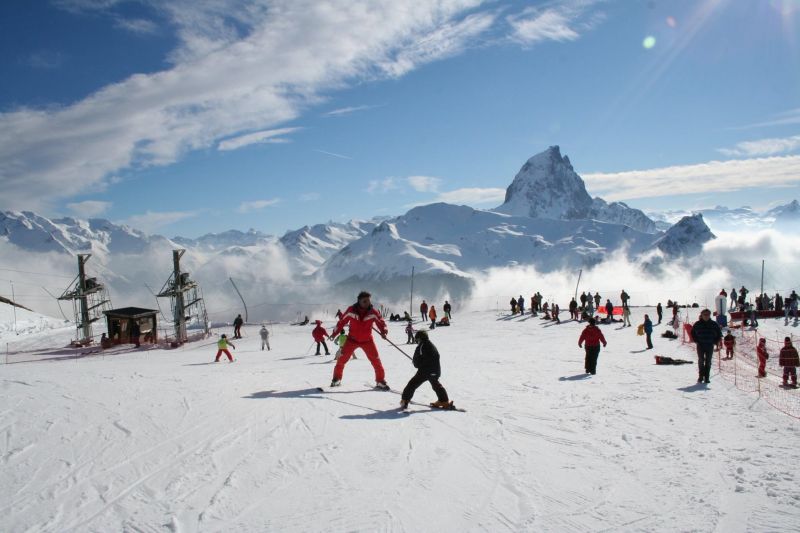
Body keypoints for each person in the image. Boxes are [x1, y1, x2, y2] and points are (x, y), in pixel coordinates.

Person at [329, 291, 389, 389]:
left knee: (376, 361)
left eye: (369, 301)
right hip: (352, 340)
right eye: (365, 301)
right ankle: (336, 379)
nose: (367, 303)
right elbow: (341, 322)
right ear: (359, 301)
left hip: (368, 341)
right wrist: (334, 333)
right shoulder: (351, 310)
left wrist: (384, 331)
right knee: (341, 360)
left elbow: (381, 321)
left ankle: (380, 381)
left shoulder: (373, 312)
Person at [400, 330, 451, 409]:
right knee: (436, 385)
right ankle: (444, 401)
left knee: (412, 384)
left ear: (419, 339)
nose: (416, 341)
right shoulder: (431, 345)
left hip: (425, 371)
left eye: (417, 339)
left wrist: (417, 363)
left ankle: (405, 400)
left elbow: (416, 362)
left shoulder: (421, 346)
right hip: (435, 370)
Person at [690, 309, 722, 384]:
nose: (706, 316)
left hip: (710, 345)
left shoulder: (714, 324)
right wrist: (696, 340)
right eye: (705, 314)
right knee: (701, 361)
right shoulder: (697, 324)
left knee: (708, 361)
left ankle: (707, 377)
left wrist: (715, 342)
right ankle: (701, 376)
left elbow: (719, 334)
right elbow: (692, 333)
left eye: (708, 314)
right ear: (702, 315)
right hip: (700, 345)